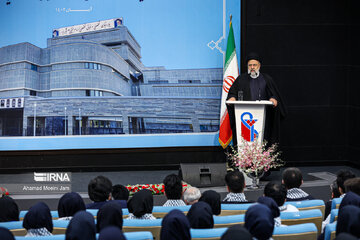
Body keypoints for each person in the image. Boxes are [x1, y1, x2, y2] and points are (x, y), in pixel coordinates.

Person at [226, 52, 287, 146]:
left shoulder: (266, 79)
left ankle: (262, 159)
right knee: (246, 140)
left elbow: (274, 94)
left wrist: (273, 98)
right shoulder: (241, 79)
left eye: (254, 65)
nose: (252, 67)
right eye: (250, 65)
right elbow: (232, 93)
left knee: (263, 140)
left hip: (264, 117)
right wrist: (232, 97)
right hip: (245, 117)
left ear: (259, 65)